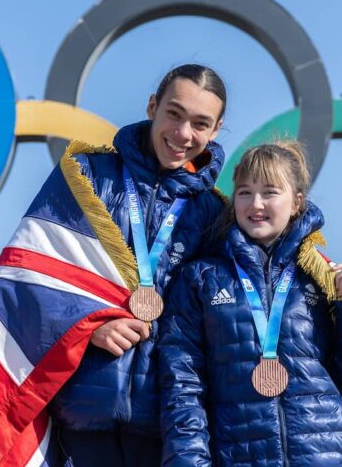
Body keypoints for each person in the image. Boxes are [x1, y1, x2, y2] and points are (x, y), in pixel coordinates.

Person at [41, 64, 227, 466]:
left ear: (215, 131)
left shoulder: (214, 213)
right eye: (174, 114)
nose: (182, 135)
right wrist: (86, 328)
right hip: (83, 416)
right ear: (152, 106)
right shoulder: (87, 176)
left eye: (200, 124)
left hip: (168, 421)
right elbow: (30, 279)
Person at [158, 142, 342, 466]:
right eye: (244, 192)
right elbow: (182, 385)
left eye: (269, 192)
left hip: (323, 457)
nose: (256, 204)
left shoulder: (319, 275)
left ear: (296, 203)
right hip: (240, 455)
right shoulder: (200, 278)